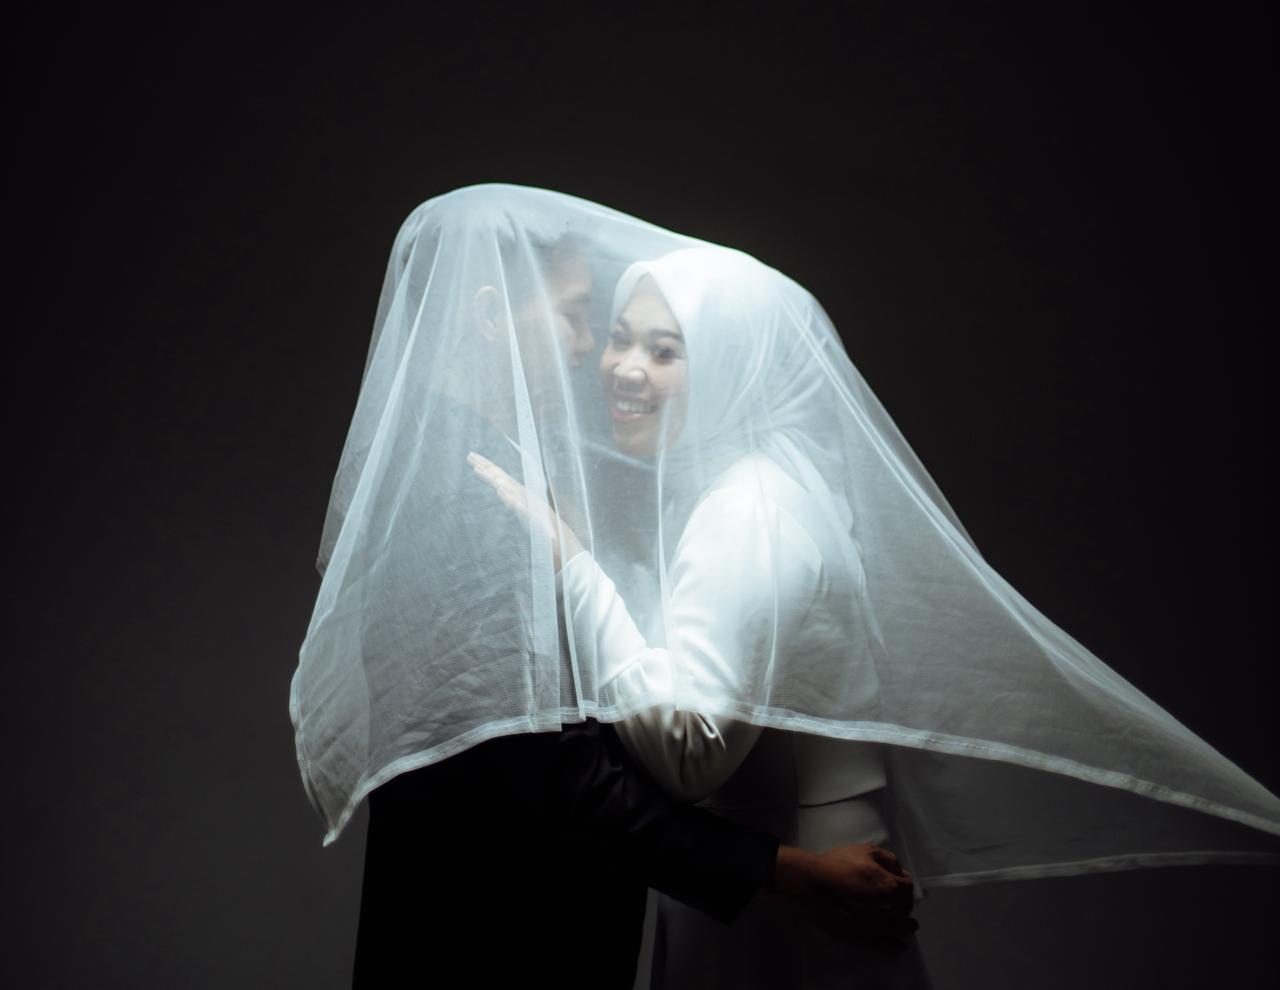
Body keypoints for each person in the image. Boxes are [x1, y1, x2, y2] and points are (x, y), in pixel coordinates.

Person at [468, 229, 1280, 985]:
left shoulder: (749, 512)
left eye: (665, 350)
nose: (622, 367)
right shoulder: (752, 488)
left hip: (790, 883)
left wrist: (572, 565)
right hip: (777, 868)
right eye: (620, 337)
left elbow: (691, 750)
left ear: (734, 365)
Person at [289, 186, 917, 989]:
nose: (594, 353)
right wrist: (783, 870)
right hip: (497, 943)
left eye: (656, 346)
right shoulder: (473, 500)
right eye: (579, 317)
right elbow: (550, 773)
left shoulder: (486, 476)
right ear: (491, 316)